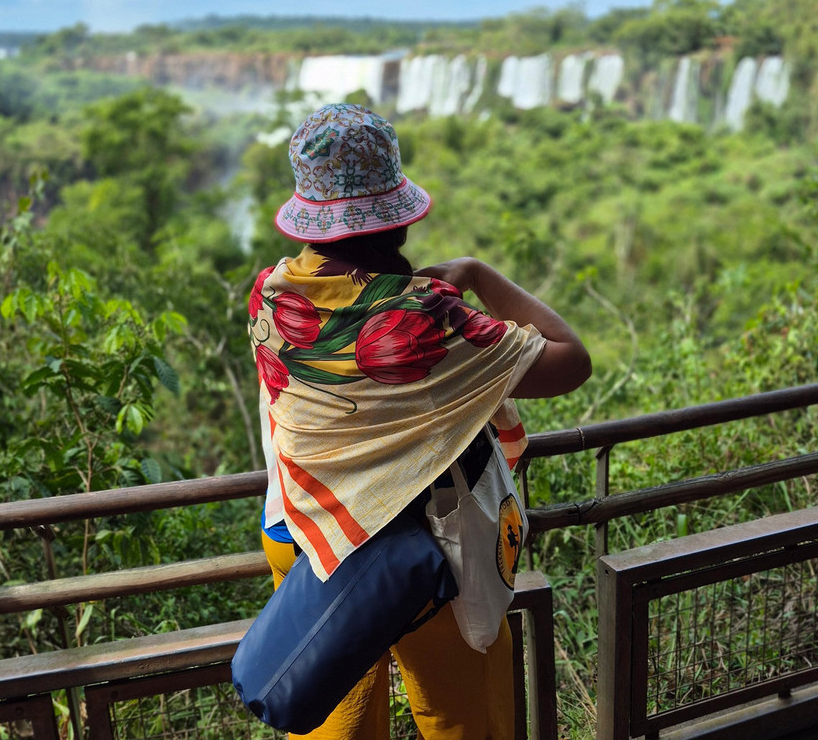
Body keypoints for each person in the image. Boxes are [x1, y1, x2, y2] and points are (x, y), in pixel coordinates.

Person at [249, 103, 590, 740]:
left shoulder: (273, 292)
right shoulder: (428, 316)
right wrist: (481, 275)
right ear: (398, 217)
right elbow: (571, 360)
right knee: (464, 718)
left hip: (306, 531)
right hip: (425, 549)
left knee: (336, 721)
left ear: (310, 215)